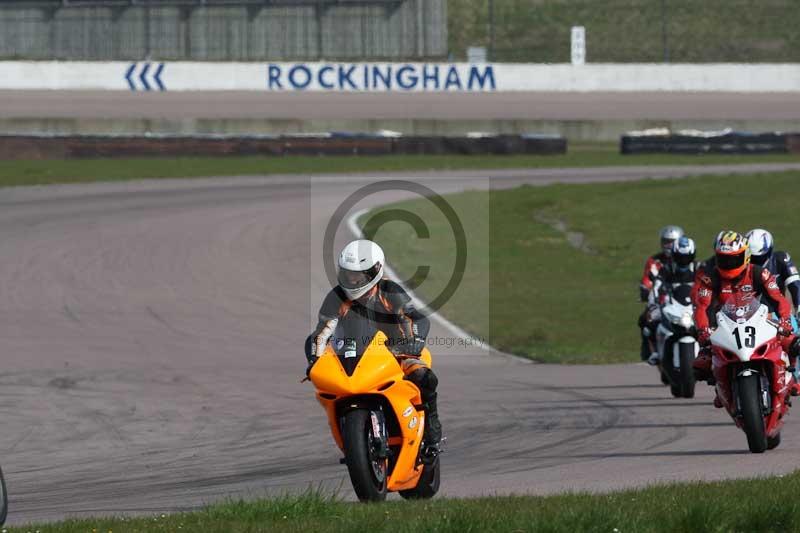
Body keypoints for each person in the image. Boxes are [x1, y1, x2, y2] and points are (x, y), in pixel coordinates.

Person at [305, 239, 442, 457]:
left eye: (358, 275)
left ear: (375, 271)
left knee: (424, 377)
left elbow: (416, 318)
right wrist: (315, 360)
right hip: (354, 354)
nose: (352, 279)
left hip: (397, 351)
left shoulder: (390, 291)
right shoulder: (336, 297)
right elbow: (320, 333)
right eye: (347, 273)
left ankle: (431, 432)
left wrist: (413, 342)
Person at [692, 231, 800, 398]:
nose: (728, 264)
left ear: (745, 256)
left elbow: (779, 299)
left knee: (794, 342)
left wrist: (785, 320)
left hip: (758, 318)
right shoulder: (710, 278)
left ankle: (793, 377)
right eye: (724, 259)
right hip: (724, 323)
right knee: (701, 364)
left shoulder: (759, 273)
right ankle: (721, 390)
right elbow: (701, 307)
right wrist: (703, 330)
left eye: (734, 259)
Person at [644, 236, 697, 365]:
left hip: (693, 306)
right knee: (650, 321)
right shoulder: (666, 270)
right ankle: (655, 352)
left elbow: (708, 285)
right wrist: (653, 304)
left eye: (686, 257)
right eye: (680, 257)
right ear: (674, 256)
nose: (683, 261)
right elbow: (656, 287)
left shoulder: (698, 269)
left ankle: (711, 351)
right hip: (672, 305)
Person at [637, 225, 684, 360]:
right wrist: (645, 289)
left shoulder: (685, 259)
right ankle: (650, 351)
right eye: (666, 241)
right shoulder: (655, 261)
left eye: (672, 241)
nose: (668, 245)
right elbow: (647, 279)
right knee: (645, 319)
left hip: (684, 300)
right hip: (662, 300)